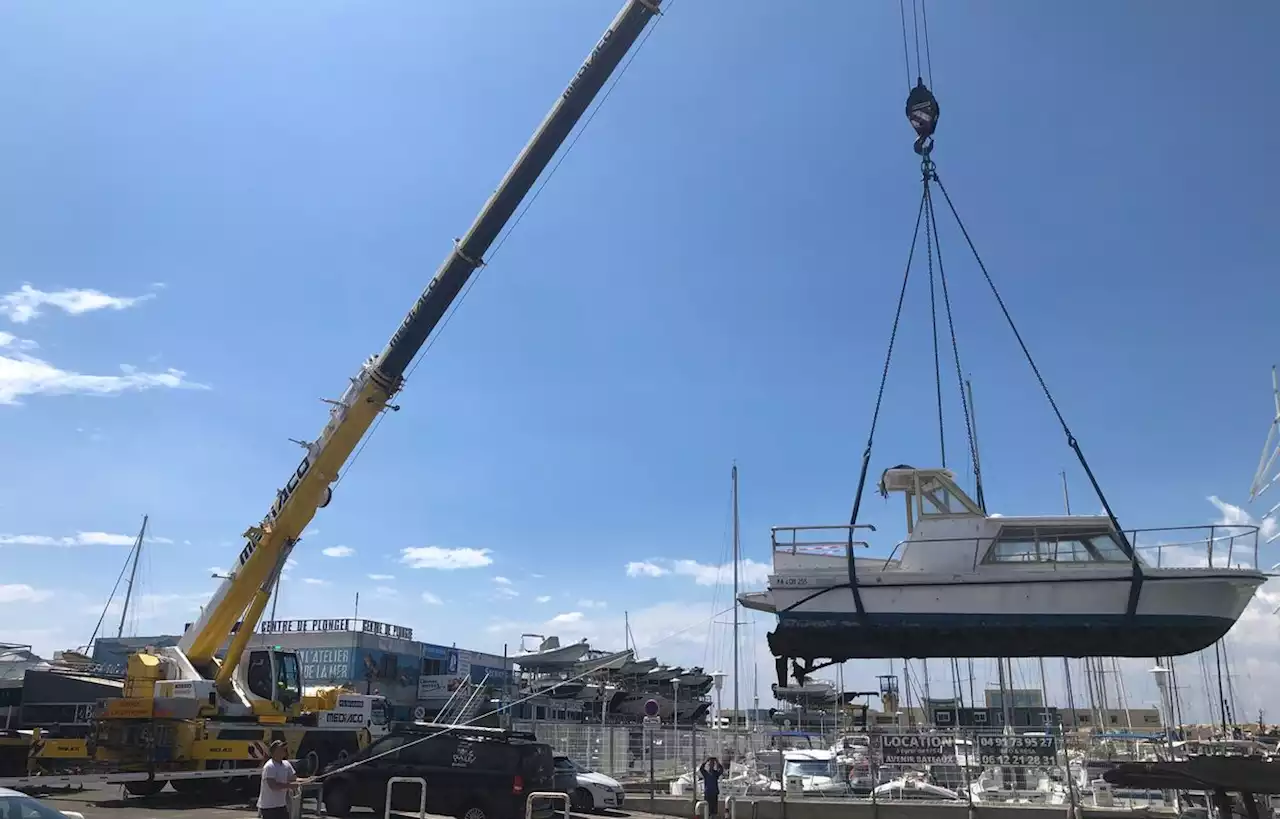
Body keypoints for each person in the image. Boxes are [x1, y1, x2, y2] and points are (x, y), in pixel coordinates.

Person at [258, 740, 309, 819]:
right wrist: (290, 786)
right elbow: (273, 786)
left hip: (281, 805)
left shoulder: (286, 764)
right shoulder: (270, 766)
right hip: (269, 807)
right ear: (275, 751)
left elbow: (294, 779)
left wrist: (308, 780)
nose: (284, 750)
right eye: (281, 748)